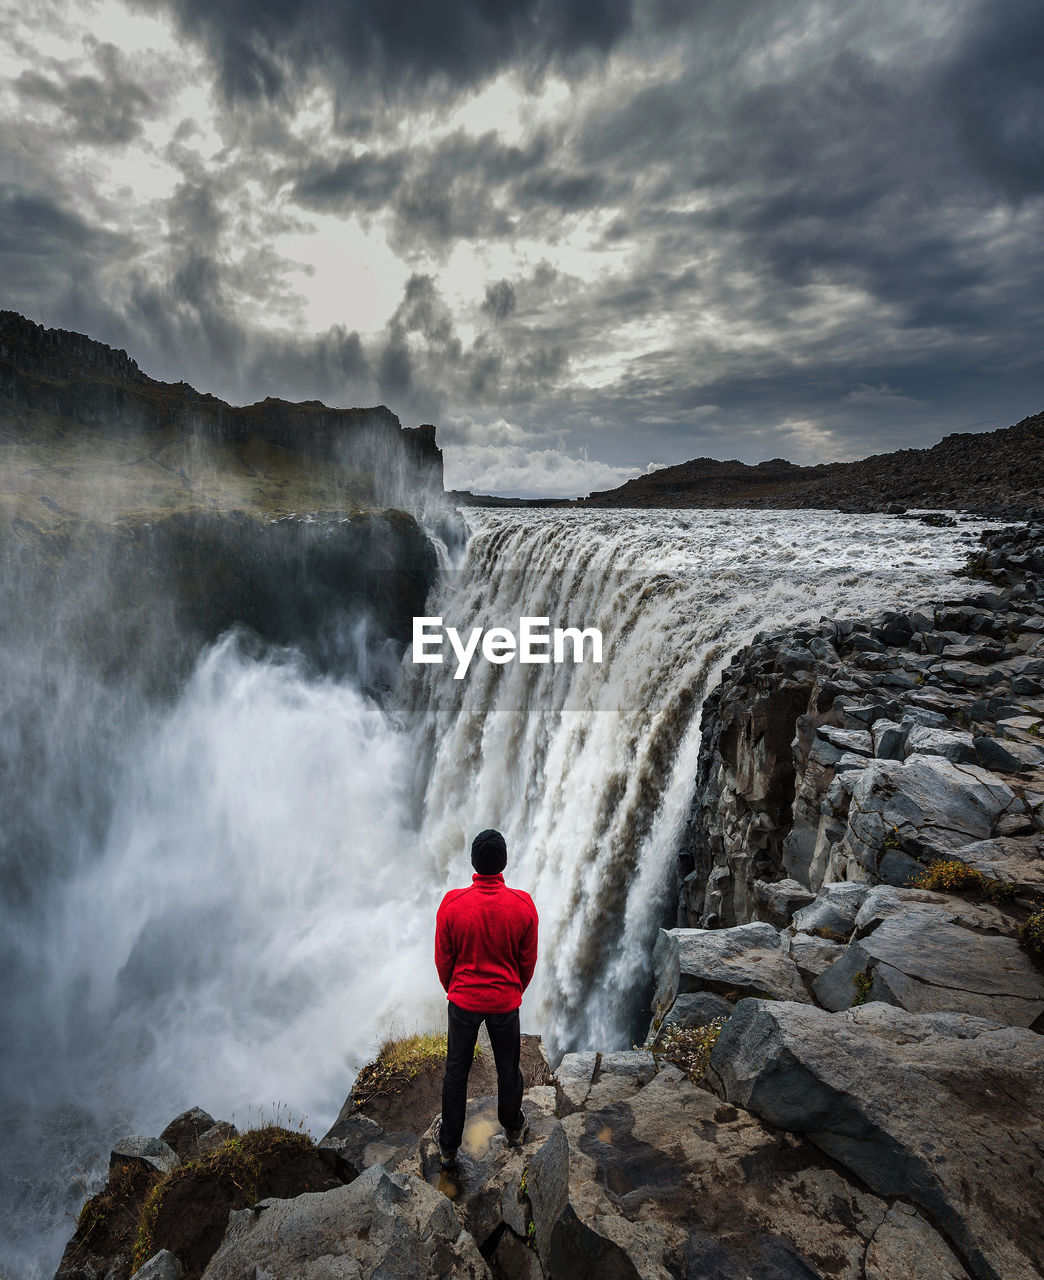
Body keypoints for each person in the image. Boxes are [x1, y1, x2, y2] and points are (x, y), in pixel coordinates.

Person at [434, 828, 538, 1169]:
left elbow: (443, 959)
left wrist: (455, 988)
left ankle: (448, 1143)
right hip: (505, 1002)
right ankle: (513, 1127)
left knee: (456, 1072)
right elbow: (527, 960)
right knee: (508, 1068)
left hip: (463, 1002)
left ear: (474, 863)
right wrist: (512, 990)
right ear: (504, 861)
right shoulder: (523, 906)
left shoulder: (452, 904)